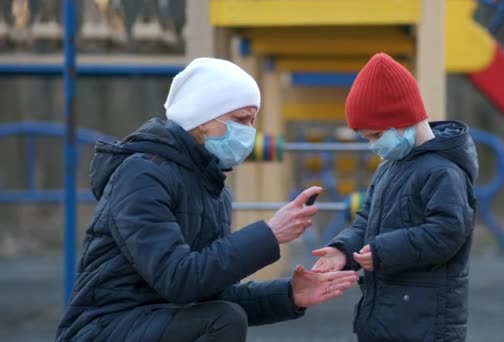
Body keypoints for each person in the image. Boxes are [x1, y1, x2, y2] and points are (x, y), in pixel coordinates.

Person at [56, 57, 359, 341]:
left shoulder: (212, 189)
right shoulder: (142, 175)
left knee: (224, 314)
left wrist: (290, 295)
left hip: (154, 320)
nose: (249, 133)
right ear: (201, 119)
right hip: (103, 328)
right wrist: (270, 234)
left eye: (252, 121)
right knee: (224, 320)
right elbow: (179, 278)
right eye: (241, 119)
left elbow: (211, 293)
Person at [312, 53, 479, 341]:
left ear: (403, 119)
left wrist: (383, 252)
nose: (373, 146)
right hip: (388, 315)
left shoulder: (443, 172)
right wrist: (344, 250)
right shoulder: (389, 169)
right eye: (367, 138)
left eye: (376, 135)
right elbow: (367, 221)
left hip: (425, 323)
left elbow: (447, 232)